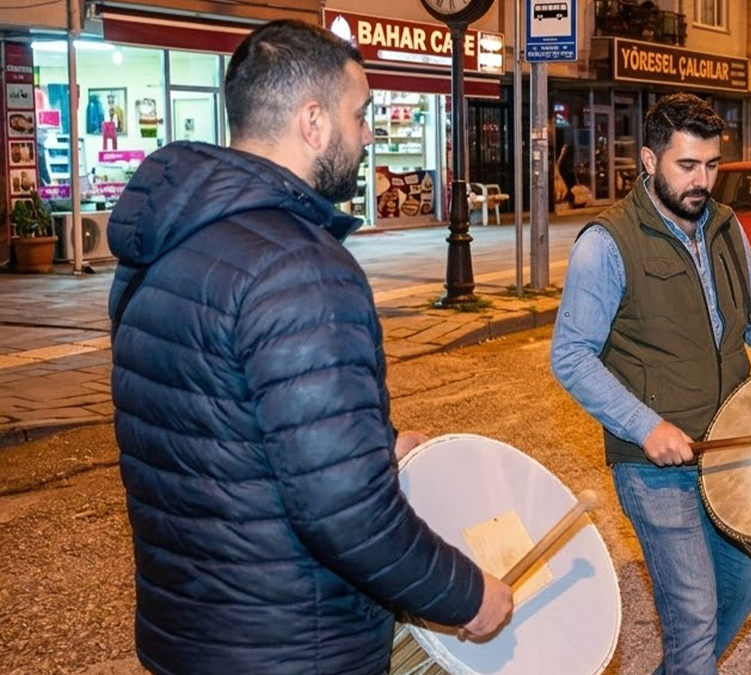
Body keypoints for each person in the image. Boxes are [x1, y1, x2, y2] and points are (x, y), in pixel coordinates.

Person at [106, 20, 512, 675]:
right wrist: (466, 595)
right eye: (361, 114)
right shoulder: (300, 267)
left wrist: (374, 442)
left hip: (187, 632)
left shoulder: (165, 242)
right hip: (295, 643)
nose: (368, 134)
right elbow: (346, 511)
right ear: (314, 122)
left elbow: (219, 424)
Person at [550, 92, 751, 675]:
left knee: (741, 585)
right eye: (686, 166)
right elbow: (570, 356)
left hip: (726, 449)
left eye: (712, 165)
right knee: (694, 613)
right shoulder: (607, 243)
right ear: (649, 160)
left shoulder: (725, 228)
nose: (702, 181)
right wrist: (646, 427)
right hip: (654, 465)